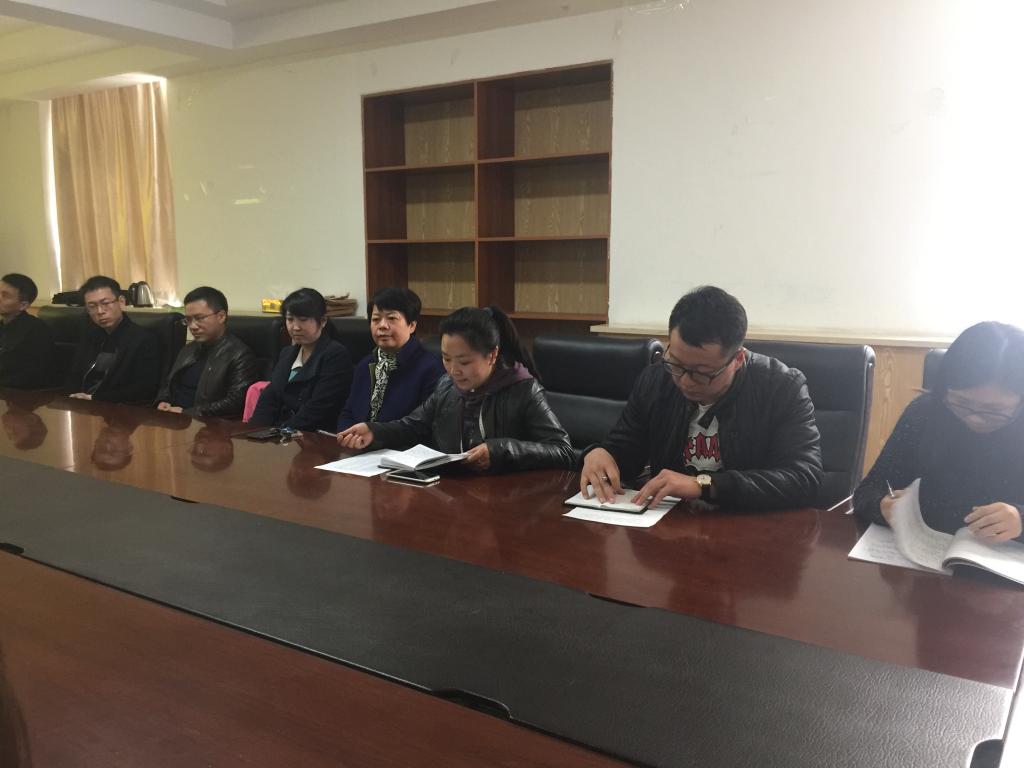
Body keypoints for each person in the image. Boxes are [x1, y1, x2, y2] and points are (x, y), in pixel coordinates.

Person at [580, 285, 822, 509]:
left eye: (702, 372)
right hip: (669, 522)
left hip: (746, 525)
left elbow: (803, 478)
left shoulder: (781, 387)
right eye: (676, 363)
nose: (685, 381)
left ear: (737, 359)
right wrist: (601, 453)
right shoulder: (656, 380)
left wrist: (705, 485)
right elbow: (626, 450)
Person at [339, 305, 575, 472]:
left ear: (492, 355)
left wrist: (500, 450)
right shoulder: (447, 386)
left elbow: (563, 451)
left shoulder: (523, 390)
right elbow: (412, 426)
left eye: (464, 362)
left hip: (507, 500)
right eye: (446, 358)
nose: (453, 370)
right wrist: (374, 431)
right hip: (454, 494)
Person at [854, 321, 1024, 543]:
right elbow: (868, 491)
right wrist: (883, 506)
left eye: (994, 411)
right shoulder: (925, 413)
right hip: (924, 551)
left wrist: (1020, 519)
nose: (974, 418)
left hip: (1001, 559)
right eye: (962, 403)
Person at [336, 287, 444, 431]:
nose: (382, 326)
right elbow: (348, 412)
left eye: (392, 318)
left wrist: (373, 436)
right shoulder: (365, 365)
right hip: (359, 443)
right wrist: (349, 435)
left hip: (401, 445)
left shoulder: (431, 369)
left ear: (412, 325)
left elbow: (423, 426)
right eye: (376, 319)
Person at [250, 288, 353, 432]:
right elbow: (270, 397)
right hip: (282, 433)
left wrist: (281, 431)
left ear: (323, 321)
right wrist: (254, 430)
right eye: (290, 319)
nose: (295, 327)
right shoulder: (287, 353)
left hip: (315, 435)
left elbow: (318, 408)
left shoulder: (335, 355)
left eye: (303, 320)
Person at [155, 286, 258, 418]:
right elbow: (168, 383)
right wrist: (163, 400)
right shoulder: (188, 349)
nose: (192, 326)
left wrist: (187, 413)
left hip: (206, 424)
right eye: (188, 319)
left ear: (221, 316)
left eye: (199, 318)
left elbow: (235, 403)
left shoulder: (239, 355)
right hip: (173, 419)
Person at [66, 275, 161, 404]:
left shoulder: (143, 340)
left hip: (119, 409)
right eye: (92, 306)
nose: (100, 311)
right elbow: (74, 376)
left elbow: (144, 389)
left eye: (105, 303)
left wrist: (95, 399)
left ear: (121, 302)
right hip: (84, 405)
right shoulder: (90, 336)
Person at [0, 273, 56, 389]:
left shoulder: (37, 331)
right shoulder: (3, 325)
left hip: (22, 395)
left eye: (5, 295)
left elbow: (28, 377)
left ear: (23, 305)